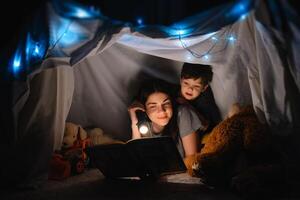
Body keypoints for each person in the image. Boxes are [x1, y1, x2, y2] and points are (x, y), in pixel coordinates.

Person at [128, 79, 201, 158]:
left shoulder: (182, 113)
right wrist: (134, 119)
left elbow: (192, 160)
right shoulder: (143, 126)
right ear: (144, 109)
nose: (162, 111)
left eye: (166, 103)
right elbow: (137, 158)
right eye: (153, 106)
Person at [179, 62, 221, 134]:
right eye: (186, 83)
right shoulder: (174, 92)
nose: (190, 89)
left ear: (204, 88)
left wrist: (188, 106)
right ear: (180, 81)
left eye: (196, 86)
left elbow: (208, 125)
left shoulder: (206, 102)